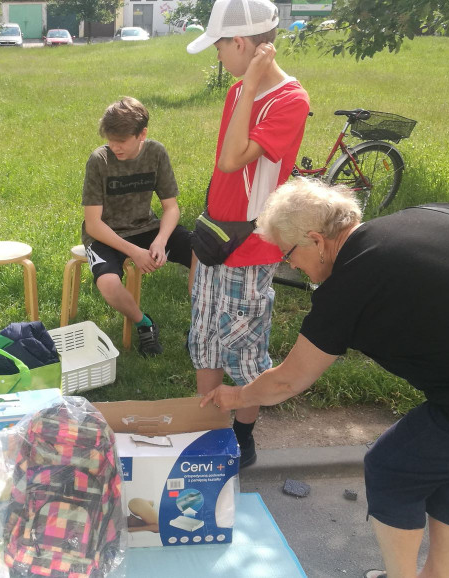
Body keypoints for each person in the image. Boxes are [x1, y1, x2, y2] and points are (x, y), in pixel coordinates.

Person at [200, 179, 449, 578]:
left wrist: (235, 396)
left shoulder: (347, 288)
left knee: (391, 469)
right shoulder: (433, 212)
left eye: (288, 254)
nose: (288, 265)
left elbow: (286, 382)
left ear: (317, 240)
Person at [185, 0, 310, 467]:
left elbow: (233, 159)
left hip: (252, 249)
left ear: (240, 43)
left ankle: (243, 437)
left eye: (220, 45)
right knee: (205, 340)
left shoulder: (290, 100)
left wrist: (253, 82)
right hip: (216, 238)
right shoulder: (238, 92)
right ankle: (209, 429)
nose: (218, 56)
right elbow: (223, 177)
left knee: (245, 351)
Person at [81, 96, 195, 356]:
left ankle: (199, 326)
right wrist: (134, 252)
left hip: (147, 227)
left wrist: (161, 240)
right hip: (106, 235)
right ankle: (145, 324)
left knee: (201, 251)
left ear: (142, 134)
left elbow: (171, 208)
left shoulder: (156, 152)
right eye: (111, 140)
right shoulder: (99, 160)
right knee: (108, 283)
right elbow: (93, 224)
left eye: (121, 141)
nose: (115, 147)